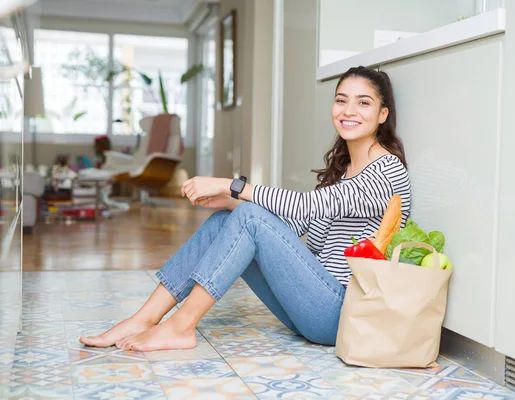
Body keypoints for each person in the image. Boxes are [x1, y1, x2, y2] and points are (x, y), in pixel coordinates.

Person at [79, 66, 411, 352]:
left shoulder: (386, 171)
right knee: (228, 218)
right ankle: (143, 318)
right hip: (312, 307)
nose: (348, 110)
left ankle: (181, 325)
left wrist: (231, 186)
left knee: (248, 215)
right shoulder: (344, 170)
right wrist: (233, 203)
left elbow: (305, 207)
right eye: (341, 100)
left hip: (342, 313)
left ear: (382, 115)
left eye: (363, 102)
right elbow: (299, 239)